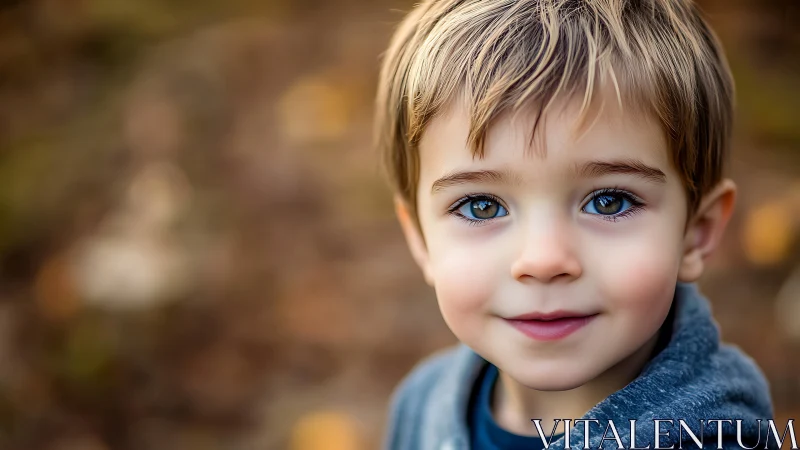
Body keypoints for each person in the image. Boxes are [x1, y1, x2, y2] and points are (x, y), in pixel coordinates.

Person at [373, 0, 776, 449]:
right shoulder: (423, 403)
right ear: (421, 240)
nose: (544, 260)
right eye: (481, 206)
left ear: (696, 233)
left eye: (608, 201)